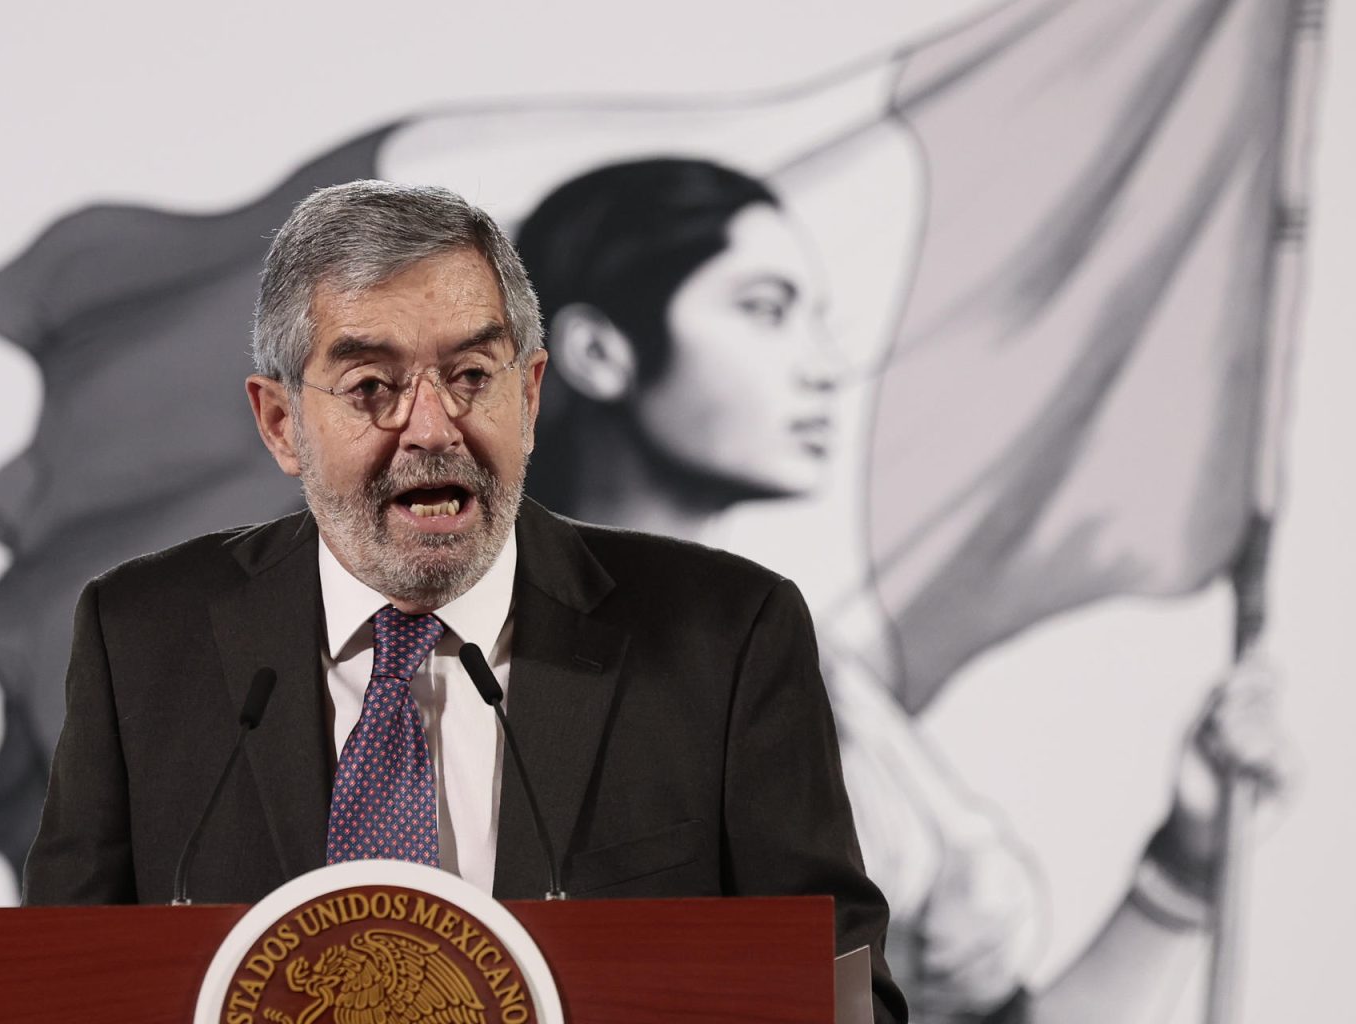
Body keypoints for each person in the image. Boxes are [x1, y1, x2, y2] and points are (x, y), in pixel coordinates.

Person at [21, 179, 910, 1022]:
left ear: (529, 397)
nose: (434, 427)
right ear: (282, 423)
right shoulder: (143, 640)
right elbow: (56, 991)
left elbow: (841, 990)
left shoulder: (726, 636)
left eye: (473, 376)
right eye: (372, 387)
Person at [516, 159, 1285, 1024]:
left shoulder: (809, 674)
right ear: (596, 350)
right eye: (766, 310)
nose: (825, 365)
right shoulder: (476, 680)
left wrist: (1181, 869)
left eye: (820, 319)